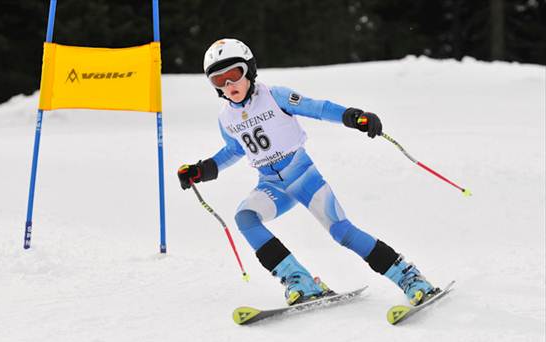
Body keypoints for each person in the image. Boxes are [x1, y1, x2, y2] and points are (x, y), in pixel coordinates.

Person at [178, 38, 437, 306]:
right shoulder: (226, 118)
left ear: (250, 70)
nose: (229, 85)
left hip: (303, 176)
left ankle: (410, 278)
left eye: (234, 75)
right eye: (218, 81)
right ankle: (299, 280)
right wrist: (202, 169)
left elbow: (317, 108)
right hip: (271, 185)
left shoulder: (274, 96)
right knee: (245, 218)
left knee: (342, 232)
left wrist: (353, 116)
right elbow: (234, 149)